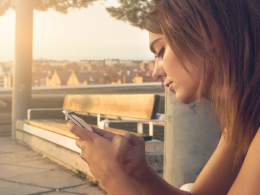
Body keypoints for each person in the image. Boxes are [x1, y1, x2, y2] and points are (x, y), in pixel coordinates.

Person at [67, 0, 260, 194]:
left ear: (207, 36)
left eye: (161, 51)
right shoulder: (242, 122)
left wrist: (111, 175)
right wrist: (141, 173)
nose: (156, 72)